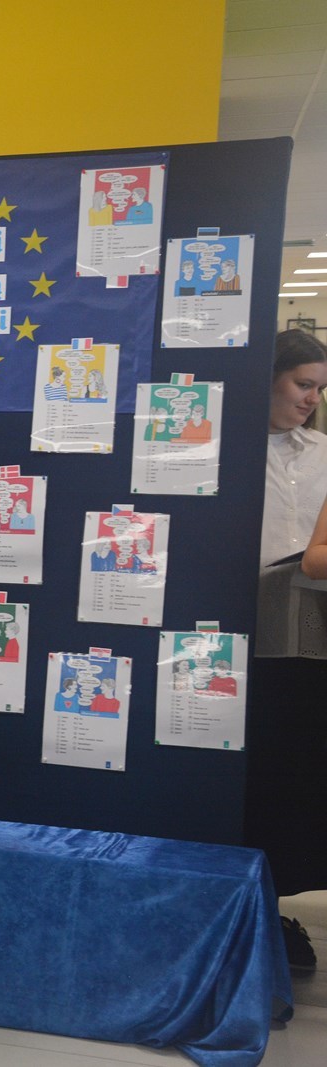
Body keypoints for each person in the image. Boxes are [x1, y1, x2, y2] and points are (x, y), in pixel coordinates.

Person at [249, 329, 327, 971]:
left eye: (320, 389)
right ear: (268, 376)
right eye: (303, 384)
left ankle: (275, 905)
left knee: (293, 770)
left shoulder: (323, 453)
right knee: (243, 770)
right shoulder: (223, 448)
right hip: (236, 625)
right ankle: (240, 906)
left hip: (309, 631)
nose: (312, 399)